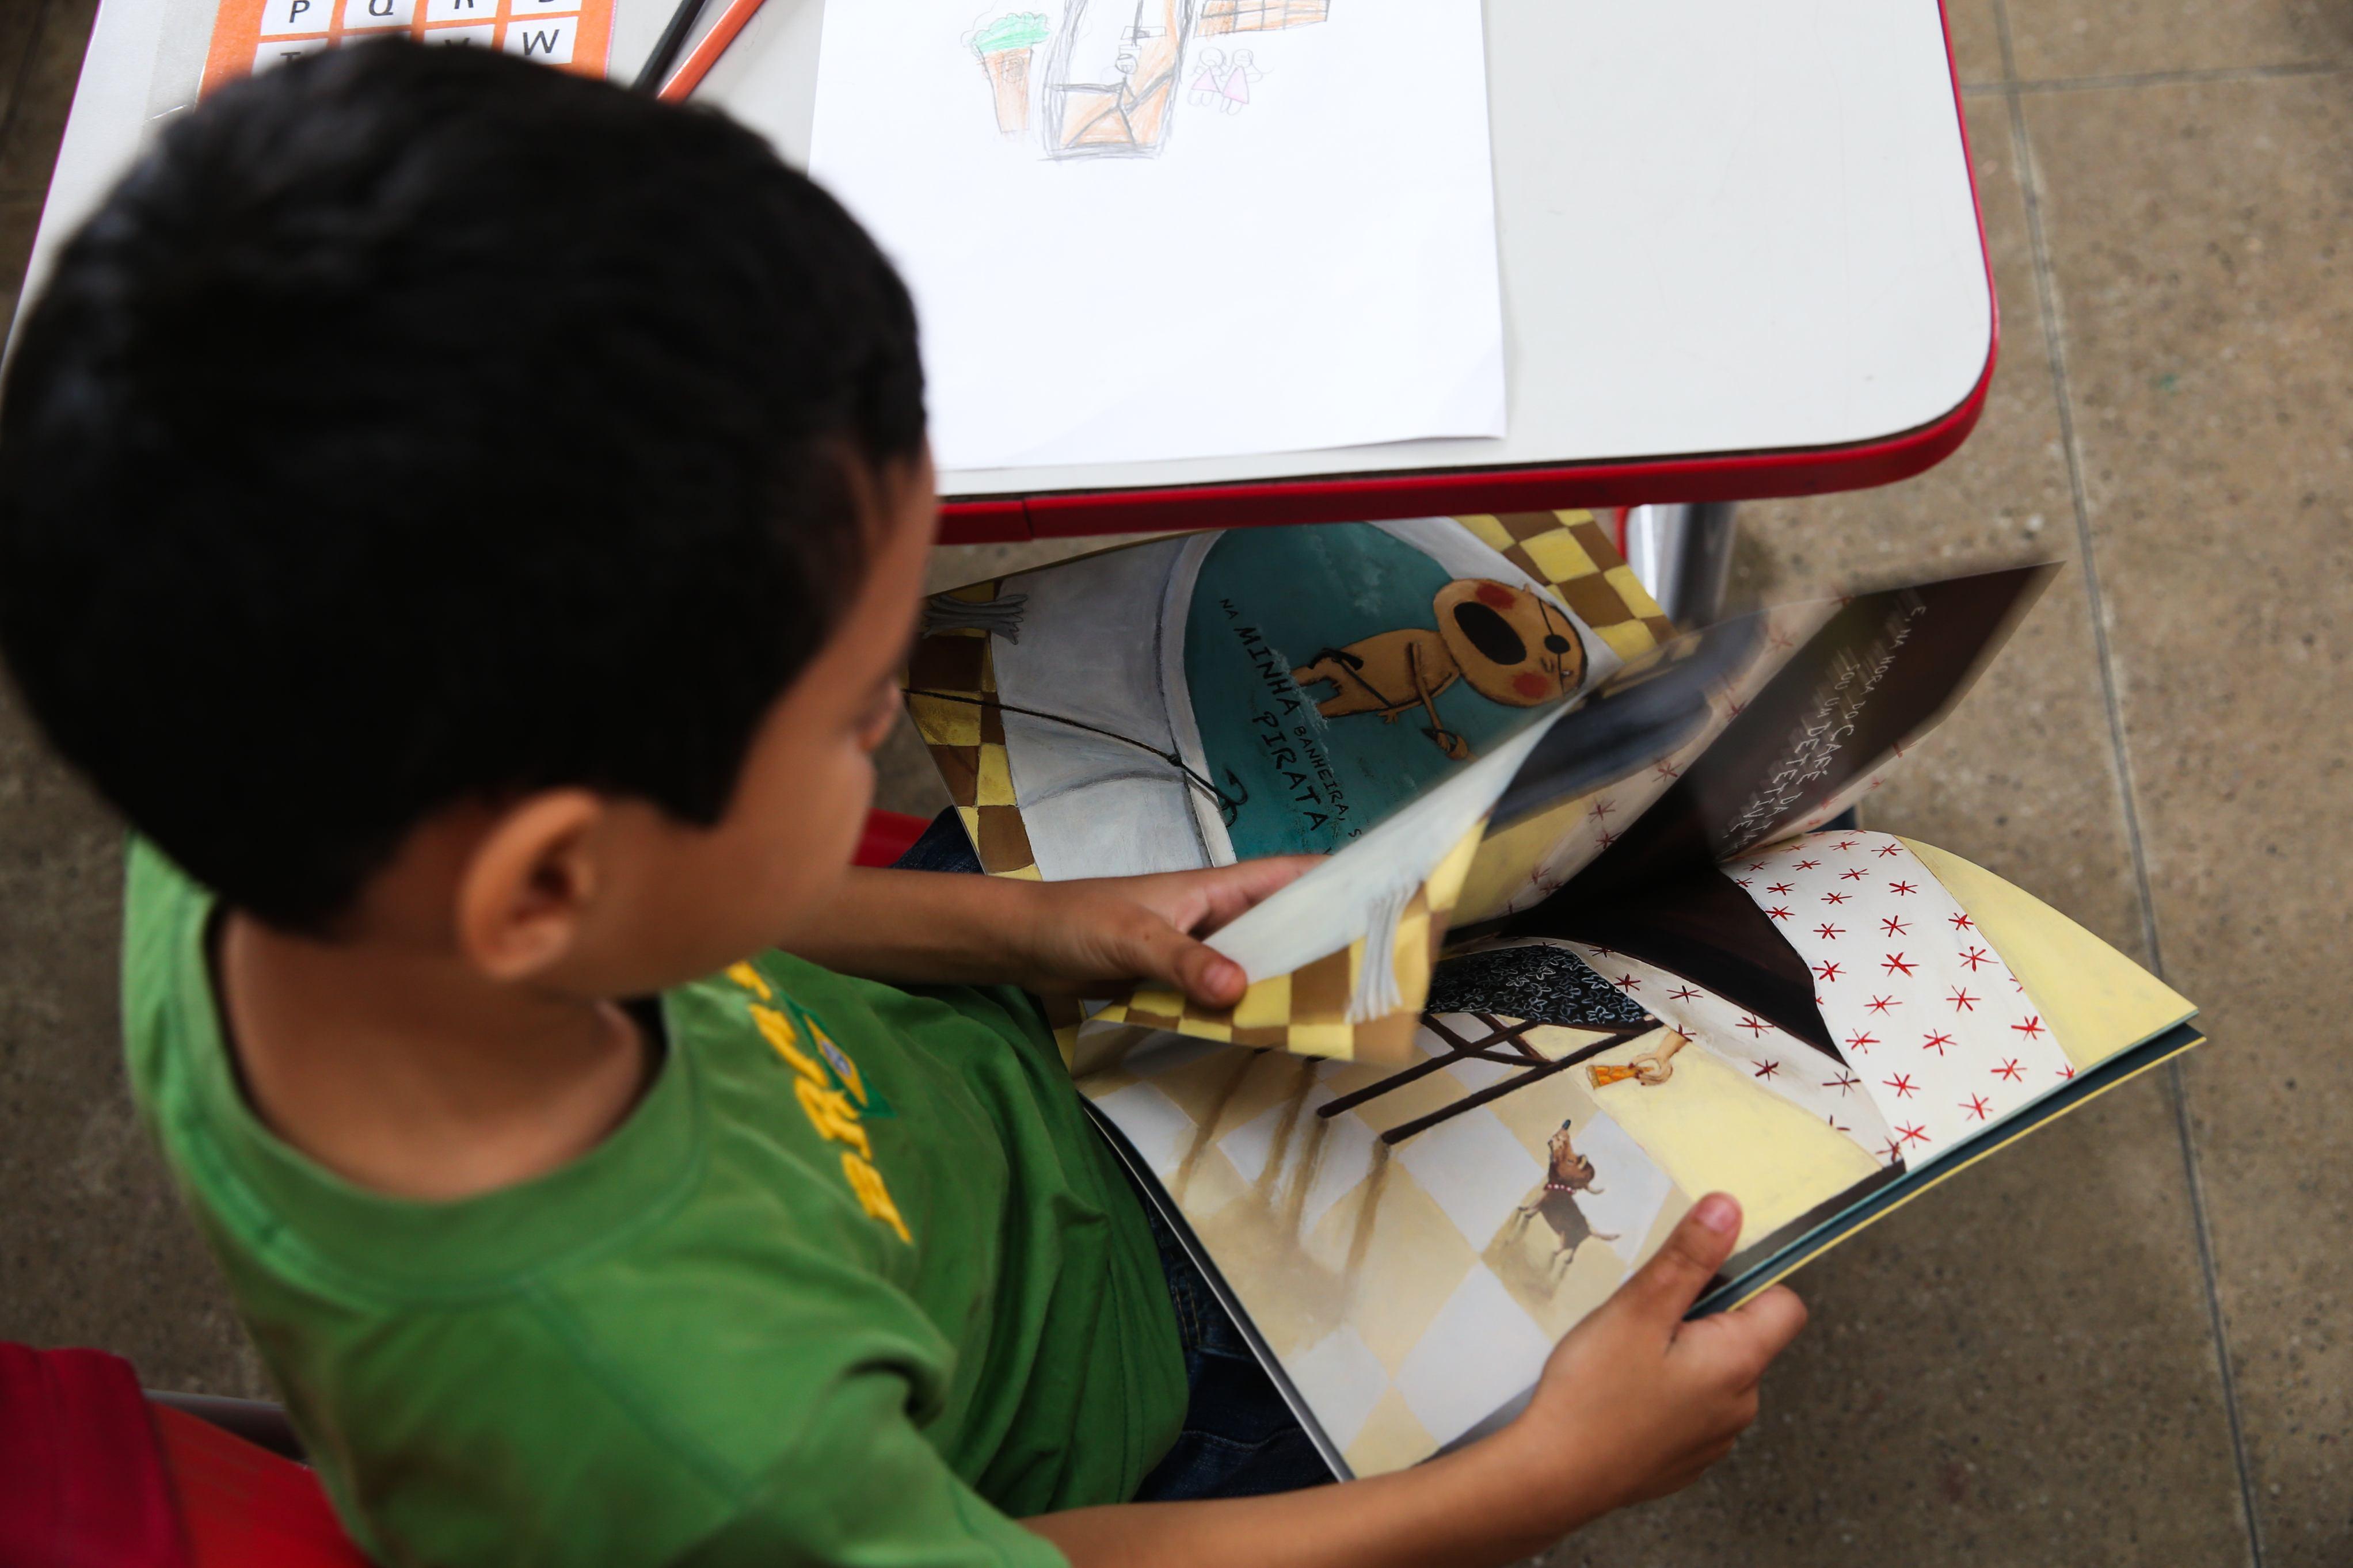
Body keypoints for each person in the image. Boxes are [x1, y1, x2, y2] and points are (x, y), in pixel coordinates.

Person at [0, 40, 1806, 1568]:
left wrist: (1020, 929)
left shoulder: (274, 814)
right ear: (549, 881)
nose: (901, 716)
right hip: (1124, 1404)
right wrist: (1525, 1486)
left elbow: (704, 909)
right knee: (1695, 1239)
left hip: (960, 1077)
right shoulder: (710, 1441)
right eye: (864, 705)